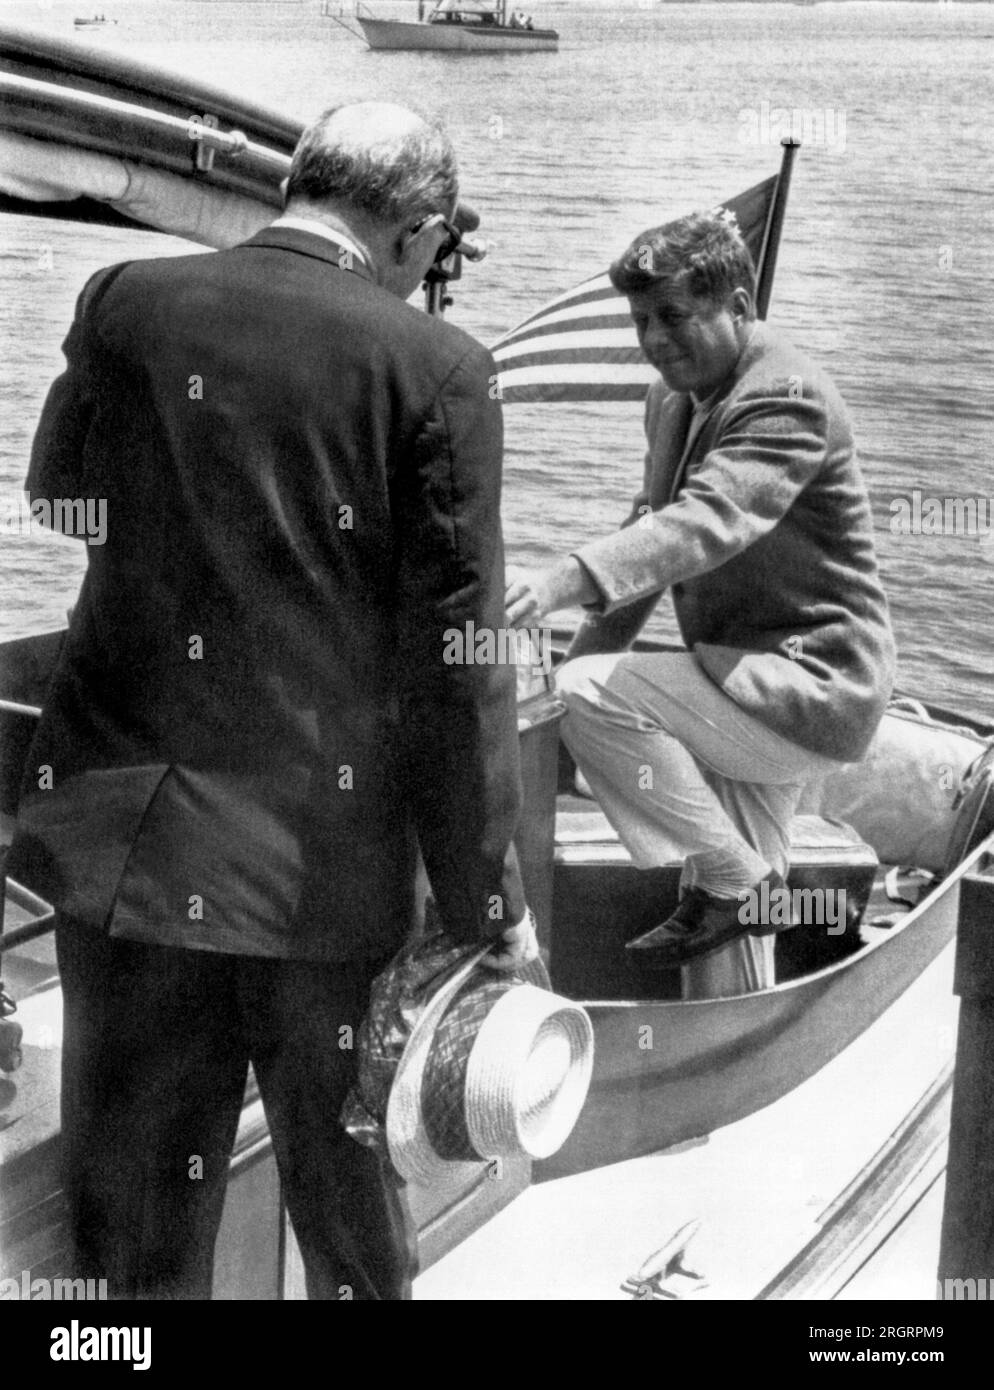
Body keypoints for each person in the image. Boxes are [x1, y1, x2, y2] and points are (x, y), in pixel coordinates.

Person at [8, 101, 536, 1299]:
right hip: (317, 877)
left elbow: (59, 499)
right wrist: (481, 894)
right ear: (418, 231)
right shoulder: (435, 367)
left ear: (298, 181)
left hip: (125, 860)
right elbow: (459, 663)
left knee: (133, 1249)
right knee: (346, 1205)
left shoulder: (125, 299)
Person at [505, 211, 895, 999]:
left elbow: (704, 525)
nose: (653, 338)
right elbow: (650, 538)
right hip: (743, 677)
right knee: (724, 908)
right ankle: (738, 1035)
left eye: (673, 316)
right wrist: (566, 674)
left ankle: (744, 887)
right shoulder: (673, 400)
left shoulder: (788, 396)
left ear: (741, 308)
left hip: (812, 689)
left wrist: (560, 586)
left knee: (595, 701)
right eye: (641, 320)